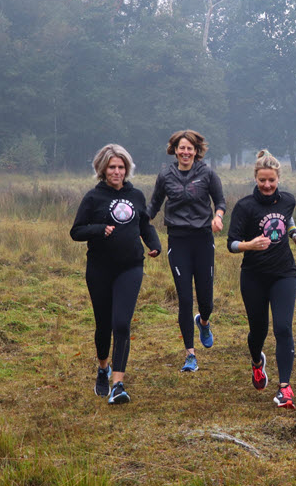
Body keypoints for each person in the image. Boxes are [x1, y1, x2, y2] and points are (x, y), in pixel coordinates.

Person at [70, 144, 161, 405]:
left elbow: (144, 224)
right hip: (99, 269)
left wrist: (153, 245)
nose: (117, 172)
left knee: (121, 323)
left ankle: (118, 384)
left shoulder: (136, 196)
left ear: (127, 169)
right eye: (112, 167)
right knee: (103, 325)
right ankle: (103, 368)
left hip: (130, 267)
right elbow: (76, 231)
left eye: (121, 167)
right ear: (102, 168)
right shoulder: (93, 197)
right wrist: (99, 229)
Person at [226, 150, 296, 409]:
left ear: (278, 179)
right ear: (256, 178)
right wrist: (249, 244)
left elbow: (287, 219)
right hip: (253, 276)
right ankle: (256, 362)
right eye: (262, 180)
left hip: (284, 273)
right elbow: (231, 244)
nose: (267, 185)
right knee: (258, 331)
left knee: (283, 328)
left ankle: (285, 388)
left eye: (271, 180)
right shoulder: (244, 206)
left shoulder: (288, 200)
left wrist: (295, 237)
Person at [148, 130, 226, 373]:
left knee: (206, 301)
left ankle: (203, 321)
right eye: (181, 148)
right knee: (184, 298)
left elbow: (220, 202)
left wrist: (218, 217)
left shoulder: (207, 173)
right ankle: (190, 355)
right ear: (174, 149)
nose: (185, 152)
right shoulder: (165, 175)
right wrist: (137, 224)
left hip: (203, 239)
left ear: (196, 151)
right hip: (178, 240)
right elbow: (154, 205)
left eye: (190, 148)